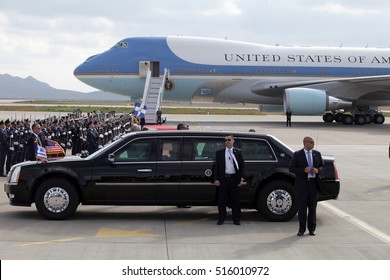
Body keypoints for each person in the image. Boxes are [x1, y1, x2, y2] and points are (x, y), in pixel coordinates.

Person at [289, 136, 324, 236]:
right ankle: (301, 229)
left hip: (313, 184)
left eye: (313, 142)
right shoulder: (297, 155)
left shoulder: (317, 154)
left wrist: (318, 170)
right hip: (302, 185)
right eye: (311, 142)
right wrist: (303, 170)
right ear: (305, 143)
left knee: (313, 208)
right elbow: (291, 168)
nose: (313, 144)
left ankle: (312, 229)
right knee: (302, 208)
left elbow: (322, 166)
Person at [214, 134, 245, 225]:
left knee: (235, 200)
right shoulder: (220, 152)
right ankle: (221, 219)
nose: (227, 141)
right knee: (221, 201)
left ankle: (236, 219)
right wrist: (216, 179)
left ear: (233, 141)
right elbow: (216, 167)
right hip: (223, 179)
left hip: (234, 179)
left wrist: (241, 179)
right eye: (225, 140)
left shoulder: (238, 152)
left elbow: (242, 167)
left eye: (229, 140)